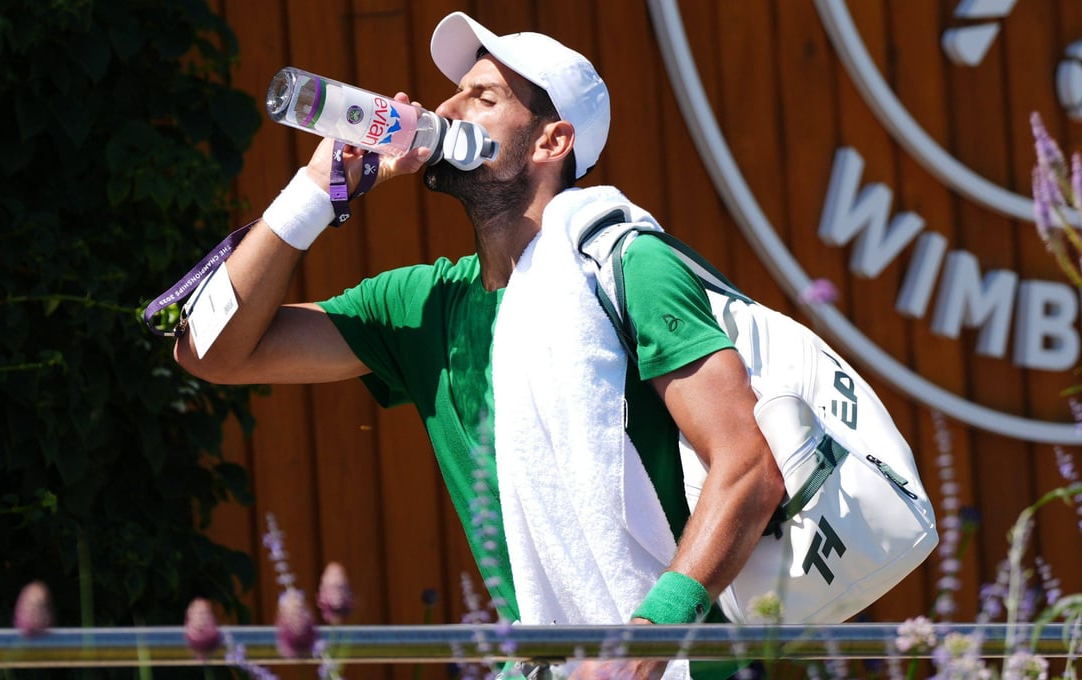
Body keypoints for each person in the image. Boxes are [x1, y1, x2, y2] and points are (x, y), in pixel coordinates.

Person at [174, 12, 784, 680]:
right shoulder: (425, 304)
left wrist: (640, 649)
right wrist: (317, 193)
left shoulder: (628, 265)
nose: (445, 110)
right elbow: (212, 353)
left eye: (482, 97)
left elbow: (747, 468)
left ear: (552, 140)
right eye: (455, 92)